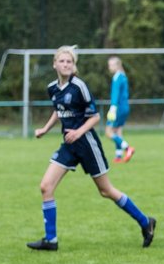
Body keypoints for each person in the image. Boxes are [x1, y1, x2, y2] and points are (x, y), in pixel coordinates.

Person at [27, 46, 157, 251]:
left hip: (87, 143)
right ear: (55, 64)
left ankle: (145, 222)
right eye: (62, 61)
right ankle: (50, 240)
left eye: (69, 61)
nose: (66, 64)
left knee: (106, 191)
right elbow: (58, 110)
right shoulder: (52, 87)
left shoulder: (79, 86)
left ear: (74, 65)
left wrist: (78, 132)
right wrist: (45, 128)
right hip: (69, 145)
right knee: (46, 187)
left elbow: (95, 117)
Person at [105, 56, 134, 162]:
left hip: (117, 108)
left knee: (108, 132)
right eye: (109, 65)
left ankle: (128, 148)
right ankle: (118, 156)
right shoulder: (123, 76)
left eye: (111, 65)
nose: (110, 67)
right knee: (118, 131)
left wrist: (113, 108)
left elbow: (115, 94)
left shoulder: (117, 77)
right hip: (124, 107)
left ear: (117, 66)